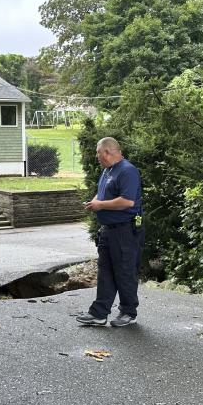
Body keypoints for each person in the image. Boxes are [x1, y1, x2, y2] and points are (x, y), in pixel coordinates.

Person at [76, 137, 144, 327]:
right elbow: (103, 193)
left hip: (125, 231)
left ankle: (128, 312)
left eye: (98, 153)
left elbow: (127, 201)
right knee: (105, 271)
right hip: (108, 230)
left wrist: (101, 205)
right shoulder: (108, 171)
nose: (96, 157)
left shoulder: (127, 171)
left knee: (124, 272)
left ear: (107, 152)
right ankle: (99, 313)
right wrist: (94, 202)